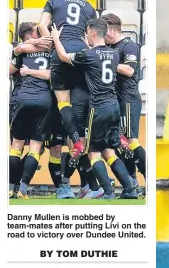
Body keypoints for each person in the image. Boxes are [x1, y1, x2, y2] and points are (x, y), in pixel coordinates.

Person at [51, 18, 138, 200]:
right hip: (114, 105)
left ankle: (107, 192)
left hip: (98, 109)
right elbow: (100, 57)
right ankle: (130, 189)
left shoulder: (88, 55)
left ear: (92, 33)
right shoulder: (114, 54)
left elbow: (63, 57)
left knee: (93, 152)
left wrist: (56, 38)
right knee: (110, 151)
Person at [39, 0, 97, 164]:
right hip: (80, 54)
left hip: (60, 49)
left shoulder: (54, 1)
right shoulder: (89, 8)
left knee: (63, 102)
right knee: (80, 103)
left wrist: (51, 42)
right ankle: (82, 147)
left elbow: (41, 25)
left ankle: (74, 140)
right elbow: (92, 37)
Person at [9, 23, 53, 199]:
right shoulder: (52, 50)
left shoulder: (23, 52)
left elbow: (9, 69)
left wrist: (27, 71)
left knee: (16, 147)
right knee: (35, 148)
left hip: (23, 98)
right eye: (37, 34)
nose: (41, 37)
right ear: (29, 36)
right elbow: (51, 75)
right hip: (44, 100)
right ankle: (23, 190)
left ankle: (10, 188)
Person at [103, 13, 146, 191]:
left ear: (113, 30)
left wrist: (106, 60)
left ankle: (148, 177)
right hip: (116, 101)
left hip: (128, 99)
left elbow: (129, 70)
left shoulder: (128, 45)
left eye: (103, 32)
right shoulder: (111, 47)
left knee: (130, 139)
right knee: (120, 142)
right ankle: (132, 179)